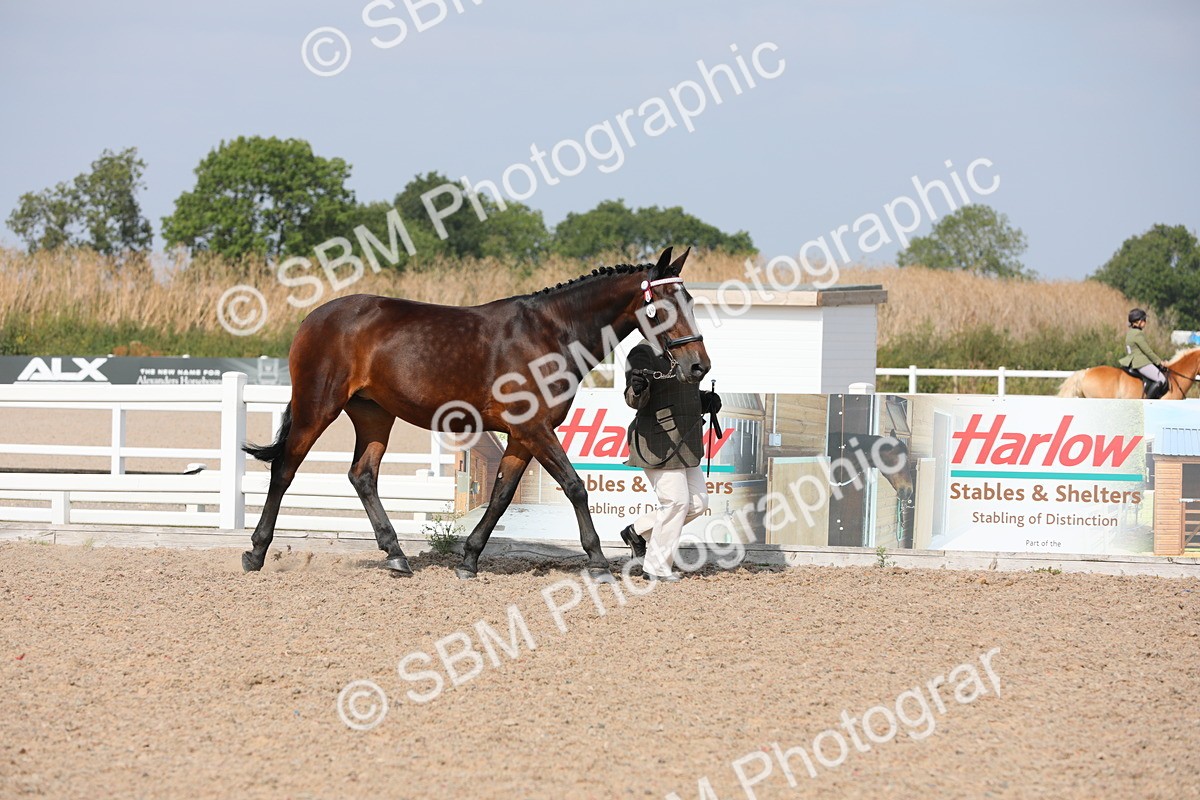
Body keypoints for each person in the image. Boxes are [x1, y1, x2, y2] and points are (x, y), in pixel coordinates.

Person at [617, 339, 721, 581]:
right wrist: (638, 388)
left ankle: (637, 531)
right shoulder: (642, 353)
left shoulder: (685, 350)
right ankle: (656, 568)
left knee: (698, 502)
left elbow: (683, 392)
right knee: (675, 502)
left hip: (686, 440)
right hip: (657, 440)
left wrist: (705, 400)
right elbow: (633, 399)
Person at [1118, 308, 1169, 399]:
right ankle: (1149, 401)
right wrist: (1160, 362)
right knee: (1161, 379)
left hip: (1131, 360)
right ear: (1138, 322)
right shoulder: (1138, 334)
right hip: (1140, 362)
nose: (1145, 322)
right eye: (1144, 320)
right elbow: (1147, 351)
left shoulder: (1130, 333)